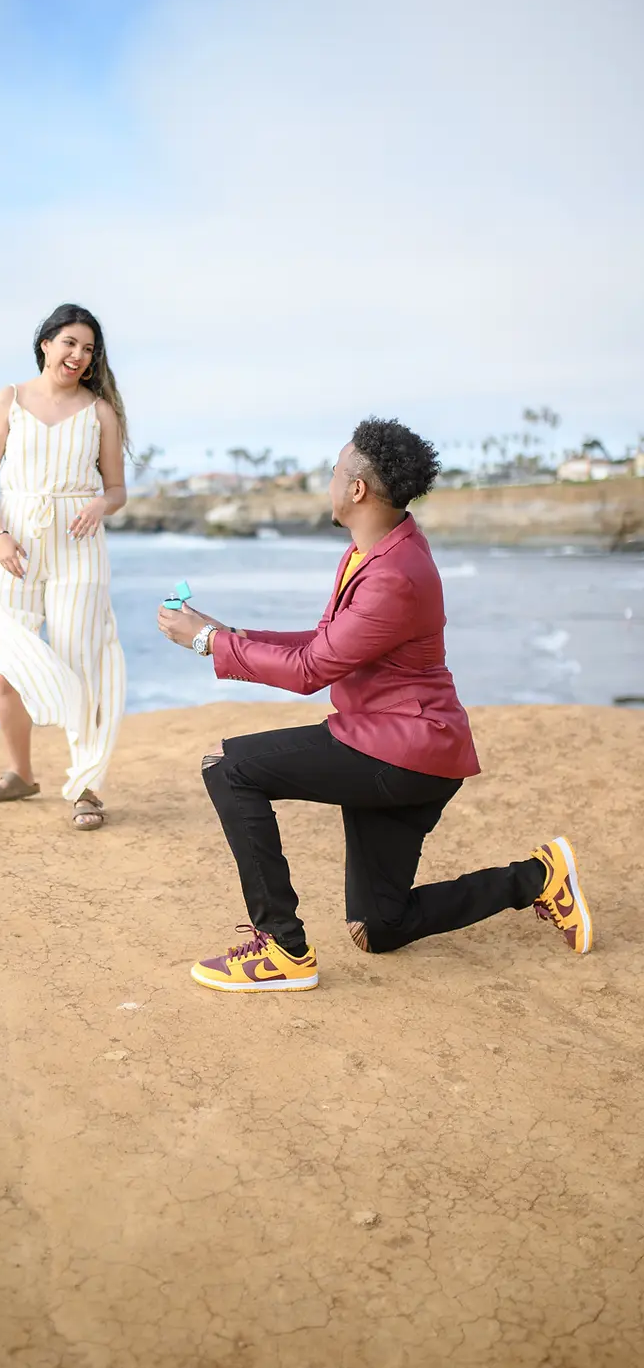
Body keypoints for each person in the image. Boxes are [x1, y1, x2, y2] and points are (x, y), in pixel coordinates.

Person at [157, 417, 593, 990]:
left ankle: (282, 951)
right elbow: (325, 643)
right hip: (396, 745)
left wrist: (208, 643)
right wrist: (231, 631)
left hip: (404, 751)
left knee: (227, 766)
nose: (330, 480)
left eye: (336, 470)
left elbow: (312, 671)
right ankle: (539, 878)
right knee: (379, 926)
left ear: (357, 488)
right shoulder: (371, 553)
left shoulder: (396, 575)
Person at [0, 303, 128, 829]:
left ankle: (86, 786)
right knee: (6, 668)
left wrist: (100, 504)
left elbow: (117, 490)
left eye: (87, 349)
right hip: (14, 546)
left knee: (84, 661)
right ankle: (21, 773)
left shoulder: (99, 411)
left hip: (78, 548)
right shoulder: (8, 400)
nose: (78, 356)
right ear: (46, 343)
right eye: (69, 343)